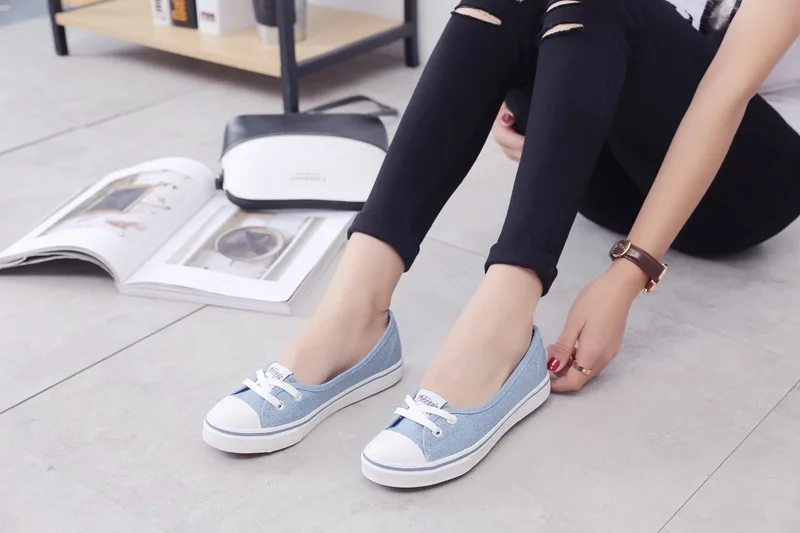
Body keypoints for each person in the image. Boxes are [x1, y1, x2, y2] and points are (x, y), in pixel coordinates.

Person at [202, 0, 800, 488]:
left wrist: (629, 272)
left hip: (738, 190)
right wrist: (515, 95)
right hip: (613, 176)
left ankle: (501, 335)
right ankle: (353, 315)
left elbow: (721, 98)